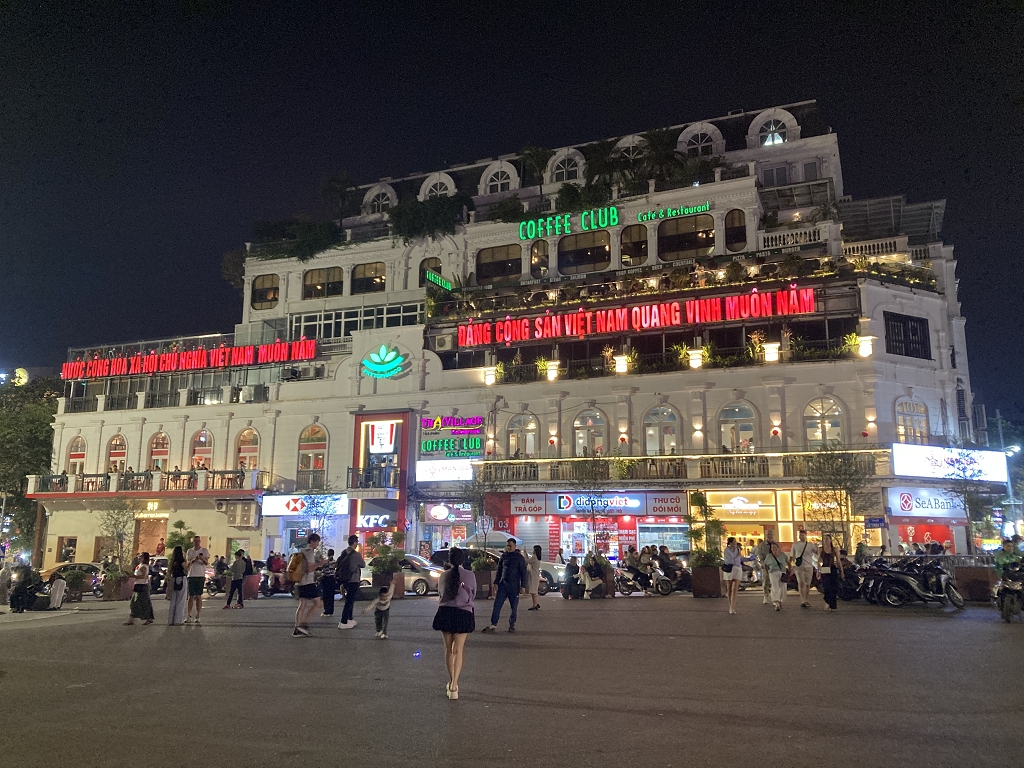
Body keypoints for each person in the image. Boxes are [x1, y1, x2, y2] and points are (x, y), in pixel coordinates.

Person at [432, 547, 476, 700]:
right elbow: (473, 594)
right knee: (458, 650)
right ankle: (454, 685)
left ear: (449, 560)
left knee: (448, 650)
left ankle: (451, 681)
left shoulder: (444, 575)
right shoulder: (470, 575)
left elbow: (440, 593)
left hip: (446, 612)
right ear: (463, 559)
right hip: (463, 613)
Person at [482, 538, 527, 633]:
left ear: (515, 546)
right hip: (503, 584)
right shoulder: (504, 556)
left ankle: (512, 624)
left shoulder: (519, 558)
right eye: (507, 545)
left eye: (510, 545)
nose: (508, 547)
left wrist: (523, 586)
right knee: (497, 604)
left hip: (514, 585)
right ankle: (493, 624)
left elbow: (523, 572)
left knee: (513, 607)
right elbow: (499, 570)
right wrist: (496, 582)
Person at [293, 533, 325, 637]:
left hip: (301, 581)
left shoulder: (302, 551)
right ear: (312, 542)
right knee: (318, 603)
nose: (317, 544)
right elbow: (310, 569)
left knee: (302, 605)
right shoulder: (310, 553)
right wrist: (321, 563)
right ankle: (304, 624)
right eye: (317, 542)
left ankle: (297, 628)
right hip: (308, 582)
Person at [336, 535, 365, 630]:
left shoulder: (344, 552)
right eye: (357, 542)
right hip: (353, 579)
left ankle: (350, 619)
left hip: (345, 579)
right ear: (355, 543)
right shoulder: (356, 554)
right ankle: (343, 621)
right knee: (349, 600)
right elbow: (363, 564)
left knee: (349, 599)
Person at [185, 535, 210, 624]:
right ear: (193, 542)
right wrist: (194, 559)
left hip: (200, 575)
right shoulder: (190, 551)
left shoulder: (204, 551)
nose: (197, 543)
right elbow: (188, 561)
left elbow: (206, 562)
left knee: (199, 596)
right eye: (195, 541)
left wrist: (202, 558)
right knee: (191, 596)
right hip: (191, 575)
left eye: (198, 541)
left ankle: (198, 615)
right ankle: (189, 615)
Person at [125, 552, 154, 625]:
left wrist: (133, 576)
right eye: (139, 556)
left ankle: (146, 618)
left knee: (141, 602)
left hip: (142, 586)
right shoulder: (139, 565)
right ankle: (132, 619)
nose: (139, 558)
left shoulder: (144, 566)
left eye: (141, 557)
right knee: (135, 603)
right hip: (138, 585)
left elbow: (143, 576)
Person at [792, 529, 818, 608]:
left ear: (805, 536)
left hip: (809, 566)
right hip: (799, 567)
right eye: (800, 535)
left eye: (802, 535)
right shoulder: (795, 545)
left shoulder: (810, 545)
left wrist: (817, 547)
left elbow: (817, 552)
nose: (801, 536)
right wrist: (792, 565)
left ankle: (806, 599)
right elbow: (792, 556)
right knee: (801, 583)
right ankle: (803, 600)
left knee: (808, 584)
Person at [819, 535, 844, 612]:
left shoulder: (835, 549)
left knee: (834, 587)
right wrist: (818, 571)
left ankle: (833, 605)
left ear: (830, 540)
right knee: (826, 586)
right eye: (824, 539)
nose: (825, 540)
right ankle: (827, 600)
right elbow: (818, 561)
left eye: (827, 539)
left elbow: (838, 560)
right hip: (824, 568)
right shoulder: (820, 549)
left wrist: (841, 571)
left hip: (832, 568)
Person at [764, 541, 790, 611]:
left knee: (782, 587)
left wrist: (790, 570)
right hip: (773, 572)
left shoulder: (783, 555)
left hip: (782, 572)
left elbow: (788, 562)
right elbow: (765, 565)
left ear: (778, 548)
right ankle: (776, 602)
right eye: (772, 547)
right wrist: (767, 572)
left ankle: (780, 600)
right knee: (775, 586)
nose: (774, 549)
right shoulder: (769, 556)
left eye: (775, 547)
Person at [722, 537, 745, 614]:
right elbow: (728, 560)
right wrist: (737, 557)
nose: (735, 543)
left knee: (735, 589)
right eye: (734, 542)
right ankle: (730, 604)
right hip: (729, 569)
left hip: (738, 568)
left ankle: (732, 607)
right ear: (730, 543)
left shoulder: (738, 549)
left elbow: (740, 559)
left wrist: (749, 559)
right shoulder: (726, 550)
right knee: (729, 589)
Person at [167, 546, 187, 625]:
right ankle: (178, 621)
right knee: (180, 600)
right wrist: (190, 562)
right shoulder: (181, 560)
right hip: (181, 579)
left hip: (173, 579)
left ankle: (171, 620)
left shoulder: (172, 561)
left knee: (173, 601)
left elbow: (169, 571)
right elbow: (187, 569)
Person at [754, 533, 775, 605]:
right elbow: (759, 555)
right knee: (766, 581)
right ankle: (766, 596)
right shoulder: (762, 545)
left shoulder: (776, 544)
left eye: (771, 535)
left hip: (774, 566)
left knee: (774, 582)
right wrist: (763, 564)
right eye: (768, 535)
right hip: (765, 565)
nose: (770, 536)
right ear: (766, 536)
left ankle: (774, 597)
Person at [320, 548, 337, 617]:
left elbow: (322, 568)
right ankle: (331, 610)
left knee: (325, 595)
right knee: (331, 595)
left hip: (326, 578)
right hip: (332, 579)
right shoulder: (334, 562)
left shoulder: (325, 562)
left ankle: (326, 610)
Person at [525, 545, 542, 610]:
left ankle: (535, 604)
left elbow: (527, 561)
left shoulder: (534, 557)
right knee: (534, 590)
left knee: (533, 591)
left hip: (533, 575)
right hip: (536, 574)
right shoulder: (538, 557)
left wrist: (525, 553)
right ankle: (535, 603)